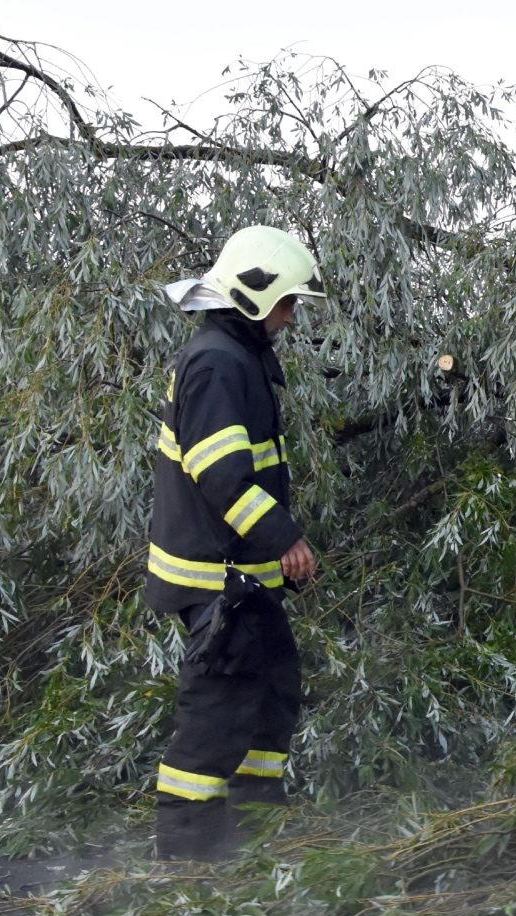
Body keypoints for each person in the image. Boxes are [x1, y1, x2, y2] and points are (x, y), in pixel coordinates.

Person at [146, 225, 325, 861]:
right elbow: (221, 474)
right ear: (255, 296)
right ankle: (188, 865)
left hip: (240, 574)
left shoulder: (234, 356)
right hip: (216, 578)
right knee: (217, 714)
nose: (292, 316)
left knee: (273, 690)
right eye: (288, 301)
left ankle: (257, 839)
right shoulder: (218, 362)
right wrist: (285, 538)